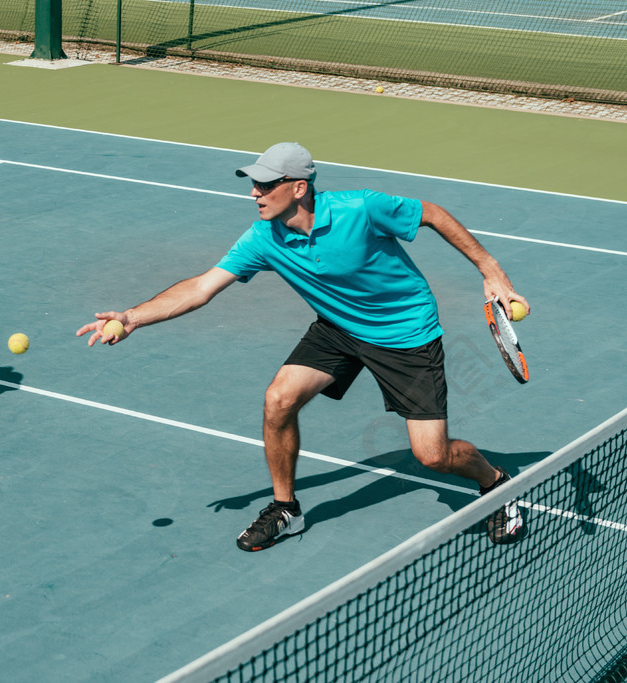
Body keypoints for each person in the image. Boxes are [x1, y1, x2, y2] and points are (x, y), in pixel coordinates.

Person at [76, 142, 527, 551]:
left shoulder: (362, 209)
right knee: (278, 399)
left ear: (297, 188)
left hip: (404, 334)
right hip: (338, 327)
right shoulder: (263, 239)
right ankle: (285, 509)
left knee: (432, 455)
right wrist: (132, 316)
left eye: (265, 185)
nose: (254, 192)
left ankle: (495, 483)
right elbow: (201, 288)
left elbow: (431, 213)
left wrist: (490, 269)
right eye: (254, 183)